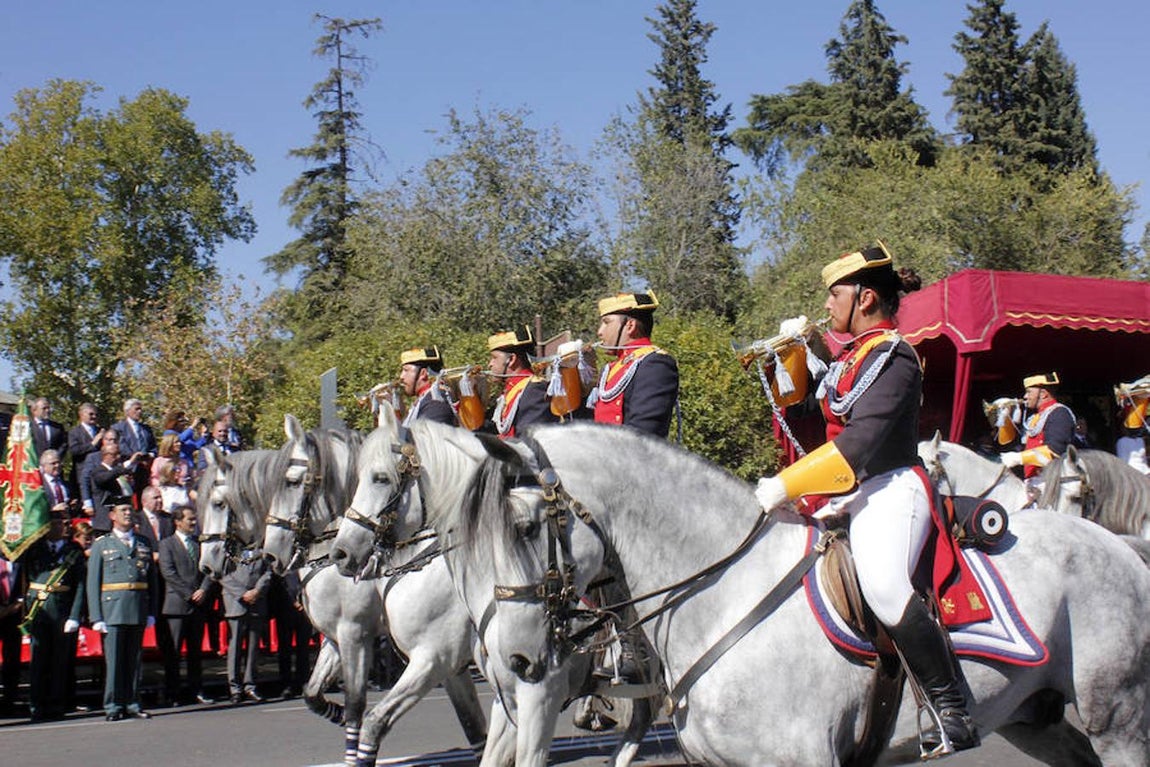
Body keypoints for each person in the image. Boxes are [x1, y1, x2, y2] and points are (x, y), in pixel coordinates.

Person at [753, 241, 978, 755]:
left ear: (867, 298)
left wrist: (785, 485)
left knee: (883, 584)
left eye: (836, 295)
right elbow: (809, 414)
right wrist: (789, 359)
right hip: (852, 492)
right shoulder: (851, 359)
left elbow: (856, 445)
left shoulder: (895, 356)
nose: (827, 305)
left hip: (892, 487)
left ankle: (952, 709)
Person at [86, 502, 157, 721]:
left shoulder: (143, 542)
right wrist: (96, 616)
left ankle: (133, 702)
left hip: (137, 607)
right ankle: (113, 705)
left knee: (134, 660)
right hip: (112, 609)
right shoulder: (102, 544)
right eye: (123, 511)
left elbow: (152, 581)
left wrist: (151, 610)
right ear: (112, 516)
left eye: (130, 510)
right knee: (115, 661)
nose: (128, 514)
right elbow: (93, 582)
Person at [22, 509, 87, 722]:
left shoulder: (73, 550)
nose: (62, 527)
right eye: (57, 524)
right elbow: (25, 580)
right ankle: (36, 706)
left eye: (64, 524)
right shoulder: (33, 548)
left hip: (61, 610)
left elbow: (79, 585)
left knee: (60, 661)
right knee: (38, 661)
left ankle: (57, 705)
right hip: (39, 610)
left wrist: (75, 615)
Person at [588, 291, 680, 438]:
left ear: (630, 326)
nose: (600, 332)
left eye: (606, 323)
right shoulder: (611, 368)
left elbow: (644, 433)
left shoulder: (655, 364)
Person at [158, 505, 216, 706]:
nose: (193, 522)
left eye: (194, 519)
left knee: (195, 653)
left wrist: (204, 589)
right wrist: (190, 593)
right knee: (173, 653)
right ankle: (173, 692)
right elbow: (168, 572)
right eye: (190, 519)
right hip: (176, 606)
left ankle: (196, 689)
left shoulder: (200, 543)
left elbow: (209, 569)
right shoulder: (167, 544)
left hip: (198, 606)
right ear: (177, 521)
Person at [998, 373, 1076, 479]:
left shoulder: (1059, 413)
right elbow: (1007, 443)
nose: (1025, 397)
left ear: (1043, 394)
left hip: (1050, 482)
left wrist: (1019, 458)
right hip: (1031, 480)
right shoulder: (1034, 417)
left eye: (1029, 392)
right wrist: (1006, 419)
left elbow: (1054, 451)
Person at [487, 325, 559, 438]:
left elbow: (530, 437)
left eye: (494, 358)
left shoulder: (535, 389)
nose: (490, 364)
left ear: (511, 360)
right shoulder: (509, 390)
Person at [221, 547, 270, 704]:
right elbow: (222, 574)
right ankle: (235, 688)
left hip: (257, 600)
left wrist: (257, 591)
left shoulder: (262, 549)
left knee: (253, 648)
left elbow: (268, 572)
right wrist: (242, 593)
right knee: (234, 646)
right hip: (235, 600)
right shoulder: (229, 548)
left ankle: (250, 686)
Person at [269, 571, 313, 699]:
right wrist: (294, 602)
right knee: (285, 649)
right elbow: (280, 586)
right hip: (286, 610)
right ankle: (286, 684)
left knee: (303, 649)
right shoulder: (284, 567)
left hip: (305, 611)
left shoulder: (306, 566)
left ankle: (303, 682)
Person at [111, 398, 157, 502]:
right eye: (136, 409)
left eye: (140, 409)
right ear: (127, 411)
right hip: (127, 470)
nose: (139, 411)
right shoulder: (118, 428)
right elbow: (120, 448)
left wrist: (149, 455)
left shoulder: (146, 429)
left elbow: (154, 448)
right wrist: (135, 457)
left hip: (145, 471)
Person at [398, 346, 457, 426]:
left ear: (423, 373)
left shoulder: (436, 402)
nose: (401, 376)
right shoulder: (426, 399)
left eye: (406, 370)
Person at [0, 555, 24, 715]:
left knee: (12, 658)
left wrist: (16, 605)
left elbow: (26, 586)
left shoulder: (20, 562)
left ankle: (10, 699)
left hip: (13, 616)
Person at [67, 403, 105, 493]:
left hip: (100, 473)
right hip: (83, 474)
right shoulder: (74, 432)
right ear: (81, 415)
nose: (94, 416)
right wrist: (92, 444)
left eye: (96, 414)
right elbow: (74, 450)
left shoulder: (101, 431)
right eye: (91, 414)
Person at [39, 449, 77, 520]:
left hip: (67, 521)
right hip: (49, 522)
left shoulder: (65, 483)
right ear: (44, 466)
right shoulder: (39, 485)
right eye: (53, 463)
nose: (57, 465)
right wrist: (52, 510)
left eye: (59, 462)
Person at [30, 397, 67, 464]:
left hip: (53, 467)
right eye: (44, 408)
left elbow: (63, 445)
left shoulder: (57, 427)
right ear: (34, 410)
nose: (47, 411)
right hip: (34, 466)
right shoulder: (28, 427)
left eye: (48, 408)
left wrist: (55, 458)